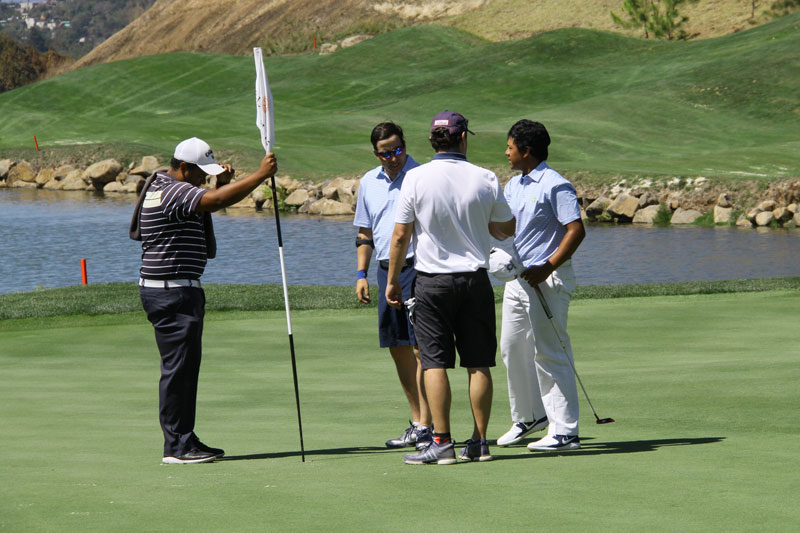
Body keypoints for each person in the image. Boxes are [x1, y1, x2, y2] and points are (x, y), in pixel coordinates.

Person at [130, 137, 277, 464]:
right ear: (183, 167)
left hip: (171, 290)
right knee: (179, 370)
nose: (203, 179)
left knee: (183, 368)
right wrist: (259, 175)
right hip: (172, 292)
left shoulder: (165, 185)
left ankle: (184, 437)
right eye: (199, 173)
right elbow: (212, 201)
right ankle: (177, 446)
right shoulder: (173, 190)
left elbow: (208, 203)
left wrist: (219, 185)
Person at [386, 110, 514, 465]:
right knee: (478, 363)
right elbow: (506, 227)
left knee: (434, 363)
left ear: (431, 141)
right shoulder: (485, 177)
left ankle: (441, 443)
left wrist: (394, 280)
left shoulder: (415, 177)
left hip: (431, 282)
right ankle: (480, 442)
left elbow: (400, 235)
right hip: (475, 280)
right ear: (463, 138)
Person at [494, 120, 586, 451]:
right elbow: (507, 228)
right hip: (519, 279)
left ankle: (565, 431)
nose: (506, 152)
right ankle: (530, 416)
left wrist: (547, 267)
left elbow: (576, 230)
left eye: (509, 147)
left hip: (549, 278)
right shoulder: (513, 185)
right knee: (511, 347)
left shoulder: (556, 185)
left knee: (550, 351)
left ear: (526, 150)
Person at [353, 121, 432, 450]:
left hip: (418, 267)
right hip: (385, 270)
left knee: (420, 348)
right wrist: (361, 274)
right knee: (399, 348)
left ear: (405, 146)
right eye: (386, 153)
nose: (394, 157)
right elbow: (365, 232)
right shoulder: (368, 182)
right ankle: (417, 421)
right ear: (376, 154)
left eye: (398, 149)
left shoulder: (421, 175)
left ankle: (429, 425)